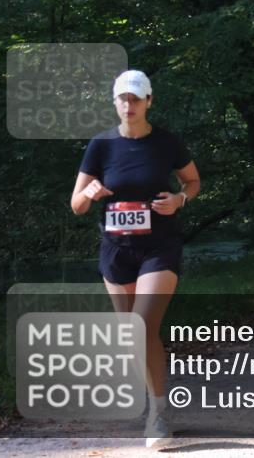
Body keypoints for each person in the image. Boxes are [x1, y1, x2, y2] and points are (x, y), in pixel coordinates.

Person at [70, 70, 200, 449]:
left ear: (149, 102)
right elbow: (76, 205)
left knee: (143, 325)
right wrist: (90, 193)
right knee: (132, 333)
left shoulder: (166, 143)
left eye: (136, 99)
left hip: (159, 247)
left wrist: (180, 200)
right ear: (115, 102)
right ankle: (154, 399)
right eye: (123, 99)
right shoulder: (100, 145)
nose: (129, 105)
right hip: (116, 250)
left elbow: (193, 181)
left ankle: (159, 415)